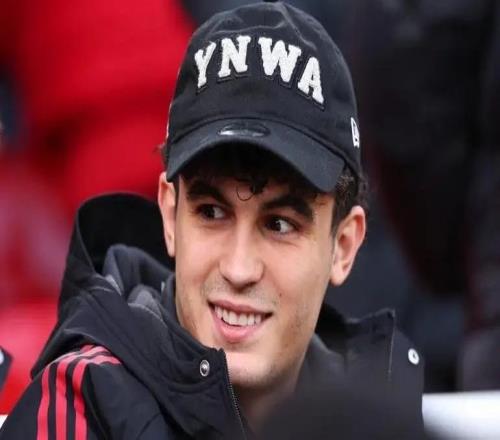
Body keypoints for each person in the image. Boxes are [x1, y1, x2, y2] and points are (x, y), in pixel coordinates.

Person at [0, 1, 423, 438]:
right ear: (170, 216)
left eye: (279, 225)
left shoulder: (383, 415)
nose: (239, 268)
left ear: (344, 246)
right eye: (211, 213)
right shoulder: (80, 411)